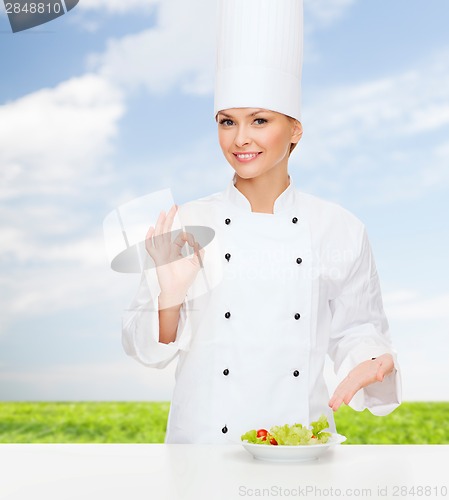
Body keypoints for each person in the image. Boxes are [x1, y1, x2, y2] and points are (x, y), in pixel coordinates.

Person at [122, 0, 401, 444]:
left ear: (295, 129)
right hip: (203, 447)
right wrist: (170, 296)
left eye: (260, 120)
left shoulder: (341, 228)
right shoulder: (189, 221)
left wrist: (372, 358)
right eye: (226, 121)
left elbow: (358, 329)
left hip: (301, 444)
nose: (240, 139)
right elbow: (143, 349)